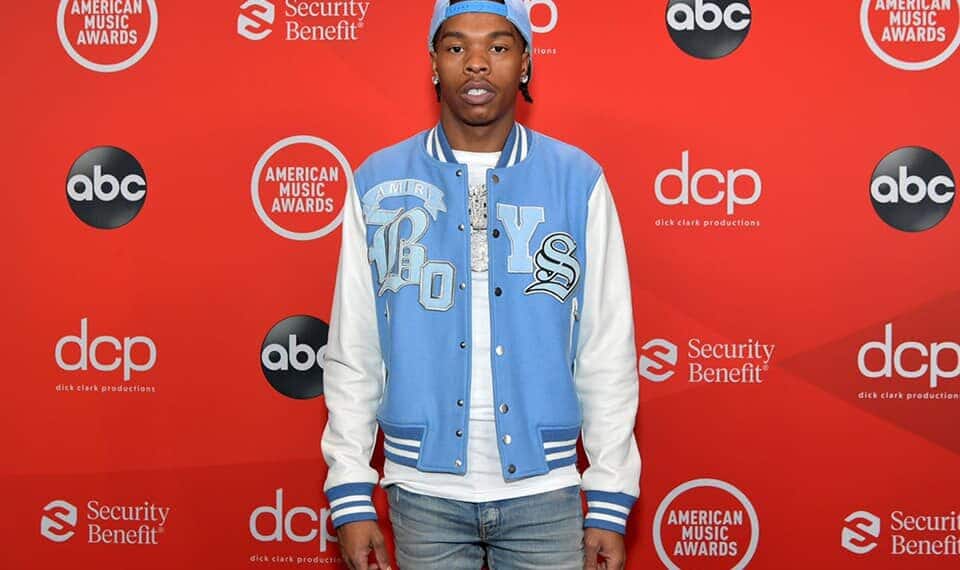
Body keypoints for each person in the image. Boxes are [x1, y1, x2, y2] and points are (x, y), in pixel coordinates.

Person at [320, 1, 641, 568]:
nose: (476, 63)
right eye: (456, 46)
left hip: (546, 492)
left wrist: (610, 495)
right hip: (422, 492)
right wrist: (350, 489)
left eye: (497, 46)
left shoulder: (577, 180)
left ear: (525, 62)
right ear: (433, 63)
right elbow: (355, 346)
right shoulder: (379, 180)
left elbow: (605, 347)